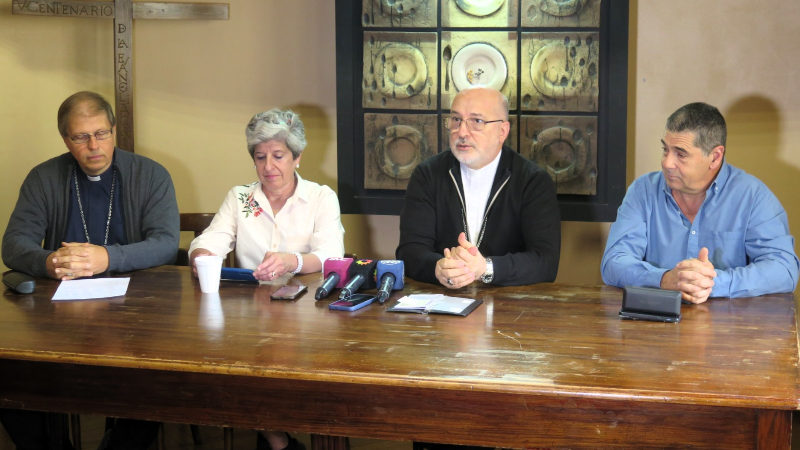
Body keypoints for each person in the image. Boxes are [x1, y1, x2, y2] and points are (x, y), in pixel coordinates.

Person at [1, 91, 178, 448]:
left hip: (138, 314)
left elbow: (165, 243)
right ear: (66, 139)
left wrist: (107, 259)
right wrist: (48, 262)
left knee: (152, 383)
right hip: (60, 316)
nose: (94, 145)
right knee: (11, 379)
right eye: (81, 136)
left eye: (101, 133)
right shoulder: (43, 178)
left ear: (114, 130)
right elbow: (13, 244)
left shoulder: (151, 175)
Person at [188, 108, 343, 450]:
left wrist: (294, 260)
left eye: (278, 156)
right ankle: (275, 439)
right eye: (260, 157)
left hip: (308, 317)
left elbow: (332, 256)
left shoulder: (320, 197)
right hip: (250, 320)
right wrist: (201, 255)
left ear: (297, 157)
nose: (268, 167)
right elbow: (209, 242)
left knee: (308, 384)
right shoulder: (240, 198)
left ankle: (281, 436)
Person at [601, 102, 799, 303]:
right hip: (653, 325)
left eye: (680, 154)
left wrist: (713, 283)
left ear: (715, 157)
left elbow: (784, 269)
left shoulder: (754, 197)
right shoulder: (642, 191)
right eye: (665, 149)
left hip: (730, 329)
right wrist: (664, 279)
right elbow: (613, 263)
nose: (667, 163)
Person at [396, 86, 561, 288]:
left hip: (510, 309)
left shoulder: (533, 181)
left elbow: (545, 262)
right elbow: (410, 251)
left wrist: (485, 268)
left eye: (476, 121)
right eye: (456, 120)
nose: (462, 132)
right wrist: (439, 267)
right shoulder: (427, 175)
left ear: (502, 131)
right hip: (441, 303)